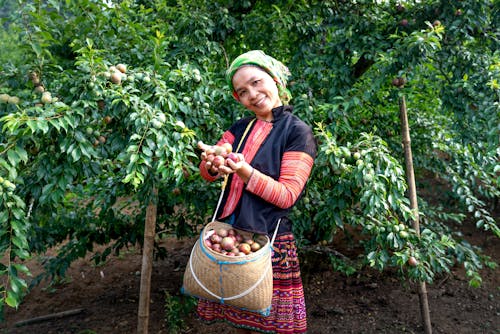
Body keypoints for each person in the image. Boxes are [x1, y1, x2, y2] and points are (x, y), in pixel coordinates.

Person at [196, 50, 317, 334]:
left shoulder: (298, 132)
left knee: (271, 325)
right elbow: (208, 170)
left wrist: (244, 170)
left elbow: (287, 195)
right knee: (241, 320)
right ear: (239, 99)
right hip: (230, 235)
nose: (252, 93)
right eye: (242, 91)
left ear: (274, 79)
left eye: (256, 82)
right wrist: (212, 162)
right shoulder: (239, 128)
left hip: (268, 241)